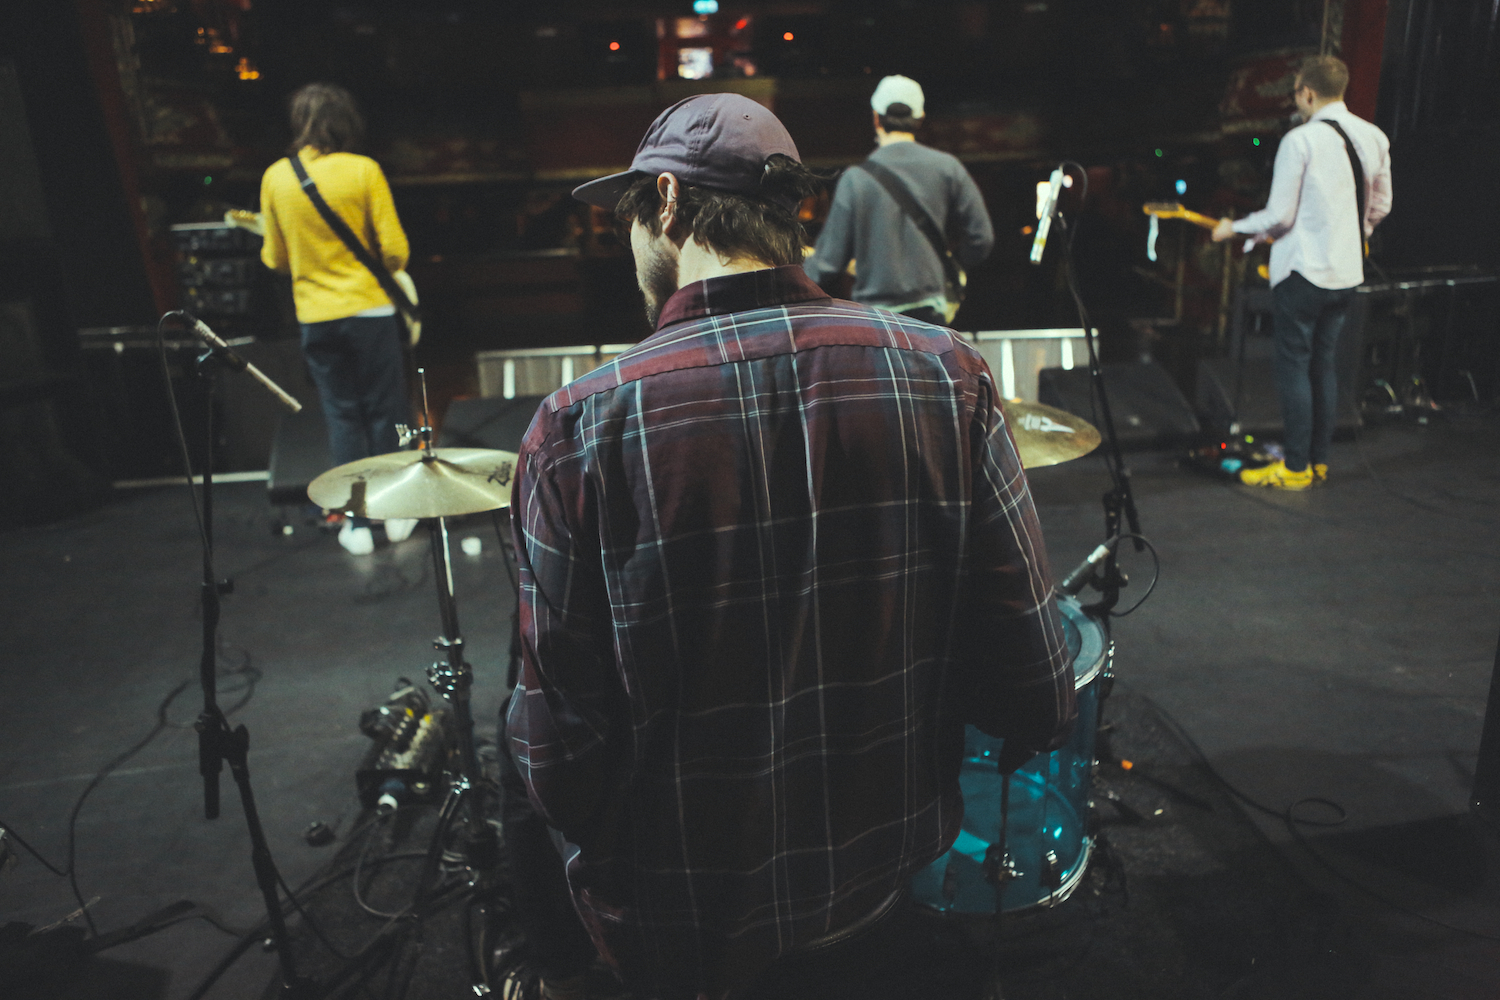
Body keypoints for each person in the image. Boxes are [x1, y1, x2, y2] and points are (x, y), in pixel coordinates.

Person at [503, 92, 1076, 1000]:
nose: (627, 239)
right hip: (880, 894)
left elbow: (559, 757)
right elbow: (1034, 685)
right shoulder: (945, 374)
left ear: (665, 201)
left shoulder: (578, 427)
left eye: (628, 219)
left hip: (685, 923)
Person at [1212, 55, 1392, 491]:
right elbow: (1381, 206)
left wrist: (1232, 228)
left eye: (1296, 93)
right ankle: (1318, 462)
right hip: (1346, 274)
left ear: (1307, 92)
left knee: (1293, 367)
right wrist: (1355, 232)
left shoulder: (1301, 140)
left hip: (1304, 273)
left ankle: (1294, 468)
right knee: (1323, 365)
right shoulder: (1373, 136)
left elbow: (1279, 215)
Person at [259, 82, 418, 553]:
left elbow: (275, 259)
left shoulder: (276, 177)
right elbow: (395, 252)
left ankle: (357, 525)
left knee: (342, 415)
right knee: (387, 411)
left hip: (315, 317)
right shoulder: (362, 171)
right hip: (368, 310)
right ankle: (396, 513)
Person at [803, 75, 994, 325]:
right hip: (931, 315)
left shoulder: (855, 179)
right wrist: (952, 266)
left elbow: (828, 262)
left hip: (875, 318)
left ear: (876, 118)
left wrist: (788, 280)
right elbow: (982, 238)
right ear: (919, 118)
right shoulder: (948, 168)